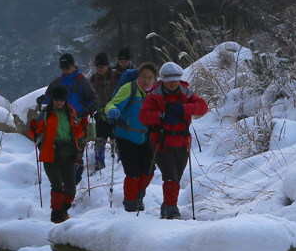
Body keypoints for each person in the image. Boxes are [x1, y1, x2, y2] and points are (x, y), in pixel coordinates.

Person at [138, 61, 208, 219]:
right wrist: (161, 116)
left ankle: (167, 205)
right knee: (171, 177)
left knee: (176, 176)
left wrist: (183, 108)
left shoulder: (186, 92)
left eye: (175, 80)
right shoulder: (154, 95)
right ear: (163, 80)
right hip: (161, 143)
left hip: (182, 143)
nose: (172, 84)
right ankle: (171, 209)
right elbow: (143, 117)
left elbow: (203, 106)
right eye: (169, 81)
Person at [28, 84, 87, 223]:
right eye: (56, 99)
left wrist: (84, 123)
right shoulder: (46, 114)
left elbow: (78, 133)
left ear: (65, 99)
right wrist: (33, 127)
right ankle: (56, 214)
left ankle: (62, 211)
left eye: (61, 99)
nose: (58, 102)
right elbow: (34, 134)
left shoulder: (71, 114)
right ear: (52, 99)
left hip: (69, 154)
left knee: (71, 189)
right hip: (50, 155)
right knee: (57, 186)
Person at [105, 62, 159, 211]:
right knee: (132, 171)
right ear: (138, 76)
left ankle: (139, 196)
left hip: (145, 138)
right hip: (126, 136)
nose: (146, 80)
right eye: (143, 77)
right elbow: (111, 104)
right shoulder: (129, 88)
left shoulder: (154, 93)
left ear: (154, 80)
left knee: (148, 170)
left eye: (149, 78)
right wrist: (113, 111)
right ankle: (130, 203)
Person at [44, 53, 99, 184]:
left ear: (74, 66)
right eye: (63, 68)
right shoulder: (57, 82)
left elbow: (94, 99)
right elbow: (48, 97)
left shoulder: (81, 81)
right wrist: (43, 100)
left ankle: (75, 178)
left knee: (78, 149)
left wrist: (90, 108)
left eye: (67, 68)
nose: (65, 71)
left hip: (79, 120)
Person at [87, 52, 115, 172]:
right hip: (99, 115)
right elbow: (89, 96)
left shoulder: (117, 77)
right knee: (99, 141)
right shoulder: (93, 80)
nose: (99, 69)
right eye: (97, 67)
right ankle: (99, 164)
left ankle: (120, 164)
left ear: (107, 66)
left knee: (117, 140)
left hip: (115, 113)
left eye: (102, 67)